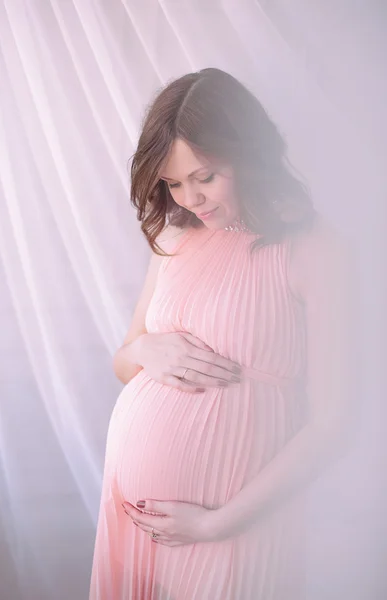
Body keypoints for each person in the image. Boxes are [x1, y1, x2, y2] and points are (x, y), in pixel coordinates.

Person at [89, 68, 354, 599]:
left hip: (236, 526)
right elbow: (123, 361)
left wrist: (217, 523)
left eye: (205, 177)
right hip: (137, 523)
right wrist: (146, 349)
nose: (190, 198)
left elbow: (335, 422)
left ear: (248, 153)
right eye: (173, 182)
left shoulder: (311, 246)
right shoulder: (175, 236)